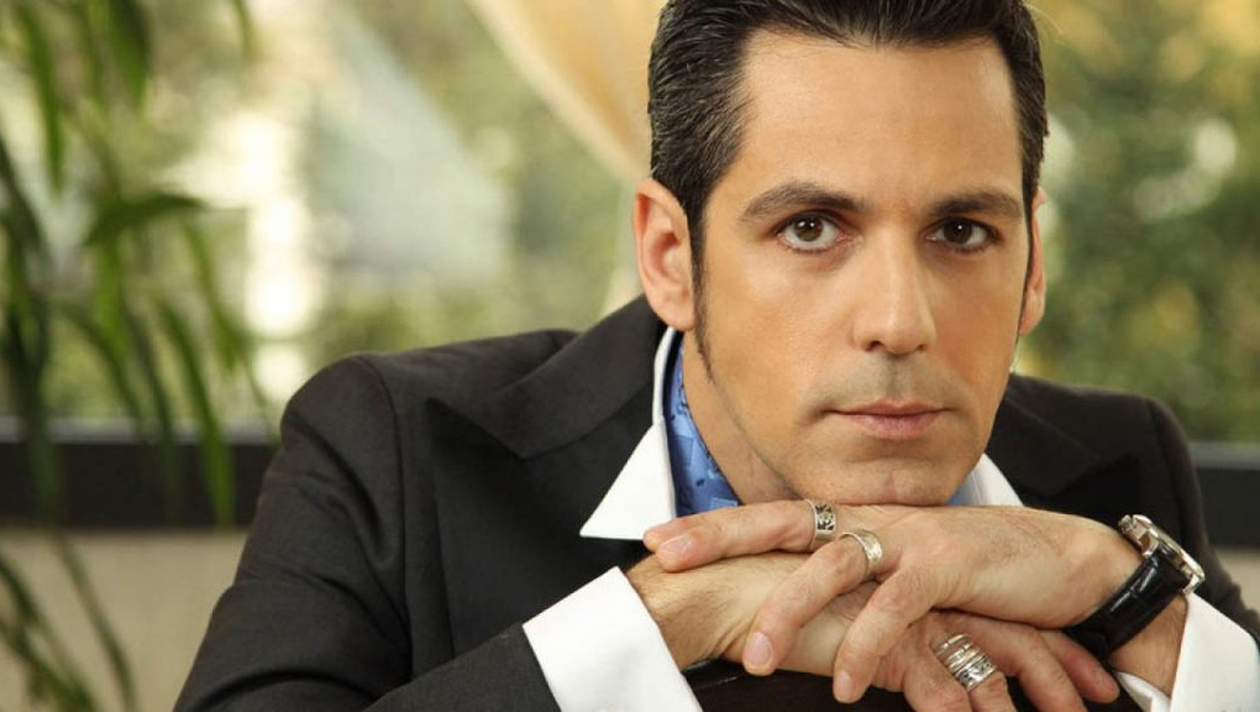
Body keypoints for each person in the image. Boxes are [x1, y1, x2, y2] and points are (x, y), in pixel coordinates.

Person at [177, 1, 1260, 710]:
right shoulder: (396, 452)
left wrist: (1131, 599)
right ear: (670, 256)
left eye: (962, 232)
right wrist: (671, 615)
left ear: (1032, 265)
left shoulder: (1115, 476)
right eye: (811, 228)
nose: (900, 320)